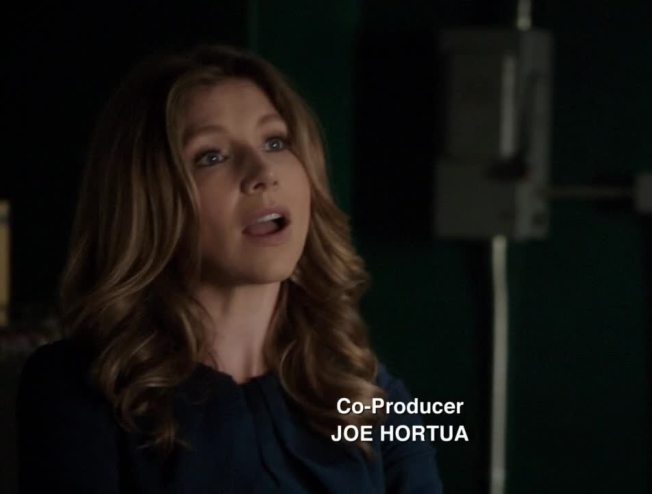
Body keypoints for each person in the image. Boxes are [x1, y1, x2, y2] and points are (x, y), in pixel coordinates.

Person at [16, 44, 443, 493]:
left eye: (275, 142)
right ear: (148, 199)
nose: (262, 171)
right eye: (211, 156)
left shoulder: (371, 396)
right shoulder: (84, 389)